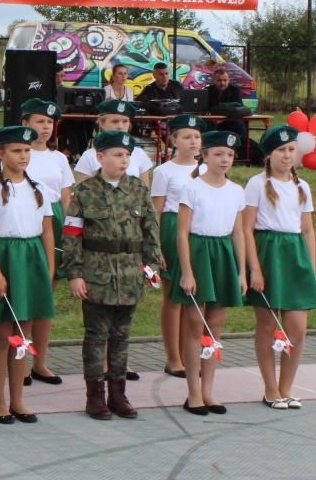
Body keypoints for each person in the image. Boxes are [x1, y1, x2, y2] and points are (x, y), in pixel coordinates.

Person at [62, 130, 161, 421]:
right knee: (96, 336)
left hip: (130, 273)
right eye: (118, 154)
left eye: (128, 155)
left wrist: (152, 265)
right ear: (100, 157)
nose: (124, 160)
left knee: (121, 336)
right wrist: (74, 274)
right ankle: (95, 396)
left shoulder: (138, 189)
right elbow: (71, 234)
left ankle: (118, 394)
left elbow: (150, 228)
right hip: (97, 274)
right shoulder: (84, 191)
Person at [0, 125, 55, 424]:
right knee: (2, 336)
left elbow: (47, 232)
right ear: (0, 152)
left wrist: (48, 270)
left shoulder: (39, 188)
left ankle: (18, 400)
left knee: (22, 335)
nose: (23, 156)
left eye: (27, 150)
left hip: (31, 260)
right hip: (4, 258)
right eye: (16, 150)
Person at [169, 131, 247, 415]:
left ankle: (208, 392)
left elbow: (238, 233)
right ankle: (193, 393)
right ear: (204, 156)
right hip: (198, 253)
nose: (225, 159)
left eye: (230, 155)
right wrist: (187, 272)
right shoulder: (192, 188)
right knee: (194, 326)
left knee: (213, 328)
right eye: (218, 154)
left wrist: (241, 271)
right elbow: (182, 232)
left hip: (222, 255)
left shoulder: (236, 191)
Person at [244, 126, 316, 409]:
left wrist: (310, 269)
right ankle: (270, 388)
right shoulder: (256, 184)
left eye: (291, 150)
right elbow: (246, 228)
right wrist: (255, 268)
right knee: (267, 325)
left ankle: (286, 387)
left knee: (297, 329)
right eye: (281, 150)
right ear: (269, 154)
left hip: (295, 255)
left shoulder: (302, 186)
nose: (287, 155)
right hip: (268, 253)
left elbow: (307, 230)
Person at [20, 98, 72, 385]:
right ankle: (19, 362)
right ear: (25, 123)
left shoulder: (59, 158)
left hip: (53, 221)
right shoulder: (19, 152)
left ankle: (40, 363)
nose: (46, 127)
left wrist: (70, 236)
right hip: (26, 219)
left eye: (50, 122)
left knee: (46, 296)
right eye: (40, 121)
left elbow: (65, 199)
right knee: (25, 294)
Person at [150, 114, 206, 379]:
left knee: (192, 298)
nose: (193, 141)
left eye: (197, 136)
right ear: (173, 141)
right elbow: (156, 211)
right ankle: (173, 358)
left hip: (199, 231)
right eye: (187, 137)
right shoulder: (164, 171)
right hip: (173, 230)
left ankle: (188, 355)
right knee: (173, 297)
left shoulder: (206, 168)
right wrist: (157, 247)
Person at [73, 99, 153, 186]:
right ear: (102, 124)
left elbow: (144, 191)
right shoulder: (89, 156)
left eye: (125, 121)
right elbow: (81, 191)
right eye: (115, 121)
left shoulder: (139, 154)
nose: (120, 126)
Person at [208, 65, 250, 157]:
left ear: (228, 80)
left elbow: (239, 109)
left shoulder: (235, 91)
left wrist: (224, 117)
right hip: (212, 121)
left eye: (225, 80)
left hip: (231, 120)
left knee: (239, 124)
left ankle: (240, 152)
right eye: (219, 80)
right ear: (214, 80)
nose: (222, 83)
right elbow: (205, 109)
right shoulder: (207, 91)